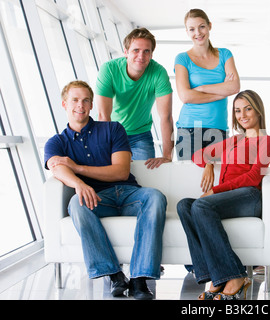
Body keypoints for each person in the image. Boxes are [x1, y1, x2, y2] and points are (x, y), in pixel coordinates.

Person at [44, 80, 166, 300]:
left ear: (91, 105)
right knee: (76, 203)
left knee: (155, 197)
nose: (80, 105)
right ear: (64, 104)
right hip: (96, 199)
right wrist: (79, 184)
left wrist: (78, 168)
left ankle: (139, 279)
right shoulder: (56, 142)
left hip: (129, 193)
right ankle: (114, 274)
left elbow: (120, 172)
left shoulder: (113, 129)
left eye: (85, 100)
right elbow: (56, 167)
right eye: (74, 100)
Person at [177, 90, 270, 300]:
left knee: (201, 206)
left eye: (248, 109)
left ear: (258, 111)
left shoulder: (266, 141)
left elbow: (252, 178)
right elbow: (198, 154)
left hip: (249, 197)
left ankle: (233, 276)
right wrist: (209, 163)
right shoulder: (234, 141)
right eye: (238, 110)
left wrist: (215, 190)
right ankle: (215, 276)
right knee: (184, 205)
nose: (243, 115)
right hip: (228, 198)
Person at [96, 27, 173, 168]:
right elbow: (103, 116)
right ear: (126, 52)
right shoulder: (109, 69)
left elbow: (166, 117)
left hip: (140, 135)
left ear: (151, 55)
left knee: (144, 176)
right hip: (112, 133)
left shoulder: (158, 72)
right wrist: (106, 149)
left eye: (146, 51)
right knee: (114, 174)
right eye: (136, 50)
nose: (141, 56)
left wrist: (167, 156)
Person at [174, 9, 240, 174]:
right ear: (187, 32)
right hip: (189, 129)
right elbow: (185, 96)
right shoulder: (182, 59)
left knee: (215, 184)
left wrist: (201, 88)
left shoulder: (225, 54)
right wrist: (221, 91)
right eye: (192, 29)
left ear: (209, 26)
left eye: (202, 26)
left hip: (218, 129)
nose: (198, 33)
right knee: (189, 181)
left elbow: (234, 87)